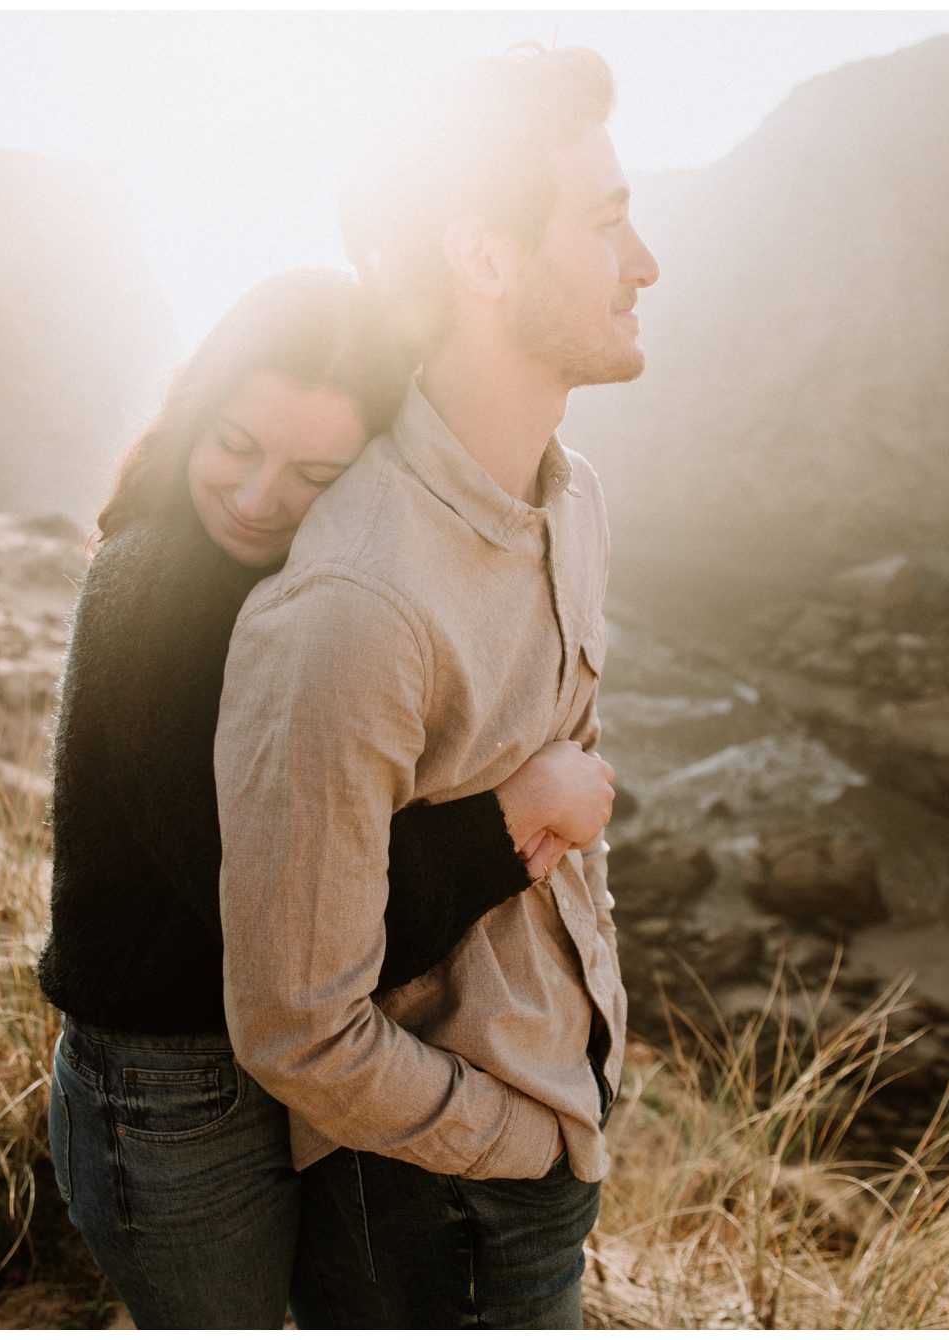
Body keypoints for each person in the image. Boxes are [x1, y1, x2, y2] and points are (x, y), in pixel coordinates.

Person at [36, 268, 618, 1328]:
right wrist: (507, 819)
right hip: (162, 1095)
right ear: (192, 414)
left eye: (315, 472)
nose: (258, 497)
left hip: (259, 1072)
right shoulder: (157, 591)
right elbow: (282, 926)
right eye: (234, 445)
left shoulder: (282, 578)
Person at [215, 45, 658, 1328]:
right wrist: (519, 1137)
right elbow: (295, 1027)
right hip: (432, 1208)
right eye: (607, 223)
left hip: (549, 1140)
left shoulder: (571, 496)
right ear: (483, 257)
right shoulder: (352, 605)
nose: (643, 264)